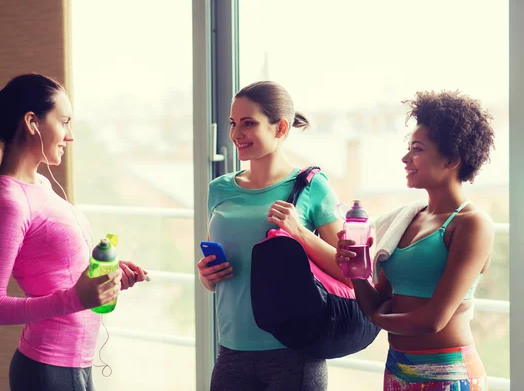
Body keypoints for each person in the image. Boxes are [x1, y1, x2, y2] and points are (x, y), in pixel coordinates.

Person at [0, 73, 147, 391]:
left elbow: (56, 271)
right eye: (64, 122)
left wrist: (106, 276)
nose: (70, 135)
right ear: (32, 122)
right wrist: (75, 298)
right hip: (47, 369)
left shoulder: (41, 185)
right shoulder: (10, 201)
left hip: (76, 361)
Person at [335, 90, 495, 390]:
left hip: (448, 372)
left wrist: (375, 316)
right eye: (409, 148)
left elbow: (432, 320)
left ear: (451, 159)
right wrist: (354, 271)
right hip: (397, 365)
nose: (406, 158)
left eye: (417, 149)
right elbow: (379, 299)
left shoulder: (472, 224)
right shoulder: (407, 219)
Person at [197, 81, 348, 390]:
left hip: (294, 354)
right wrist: (207, 276)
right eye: (233, 123)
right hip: (231, 350)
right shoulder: (219, 189)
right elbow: (220, 268)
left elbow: (350, 273)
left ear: (280, 128)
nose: (236, 134)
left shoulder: (312, 187)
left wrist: (301, 233)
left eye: (248, 123)